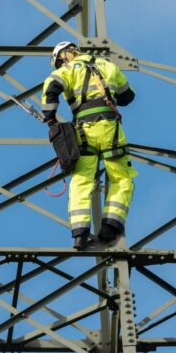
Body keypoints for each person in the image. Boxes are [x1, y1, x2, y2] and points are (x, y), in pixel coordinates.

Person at [41, 42, 137, 249]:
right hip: (110, 128)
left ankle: (80, 234)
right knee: (121, 178)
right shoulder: (107, 65)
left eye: (58, 61)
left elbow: (52, 88)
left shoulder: (66, 70)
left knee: (81, 181)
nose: (59, 65)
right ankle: (110, 227)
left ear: (65, 56)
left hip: (83, 131)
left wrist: (49, 117)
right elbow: (128, 96)